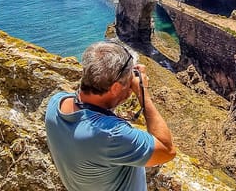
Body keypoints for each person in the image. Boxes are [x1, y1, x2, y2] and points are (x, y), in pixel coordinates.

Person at [45, 40, 176, 191]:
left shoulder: (56, 103)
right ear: (115, 87)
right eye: (129, 81)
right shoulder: (111, 136)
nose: (131, 84)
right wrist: (142, 92)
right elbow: (167, 150)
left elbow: (89, 108)